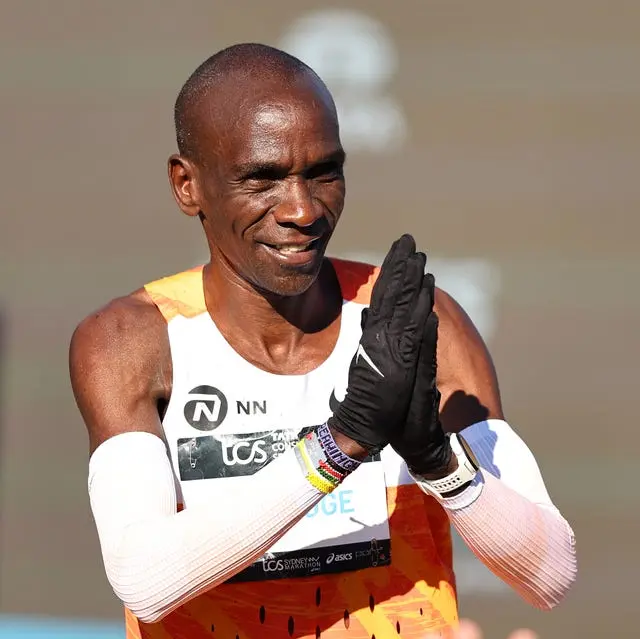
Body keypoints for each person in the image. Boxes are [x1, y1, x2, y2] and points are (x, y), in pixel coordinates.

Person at [69, 43, 577, 639]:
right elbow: (144, 579)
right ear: (188, 185)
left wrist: (438, 462)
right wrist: (344, 441)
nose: (303, 209)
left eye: (323, 173)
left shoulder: (418, 319)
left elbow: (550, 575)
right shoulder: (133, 341)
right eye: (262, 179)